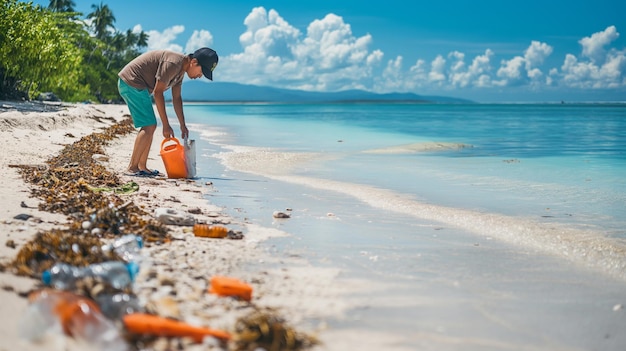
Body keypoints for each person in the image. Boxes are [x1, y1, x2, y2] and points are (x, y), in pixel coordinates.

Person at [117, 47, 218, 177]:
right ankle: (132, 168)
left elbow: (177, 98)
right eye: (202, 72)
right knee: (149, 125)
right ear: (193, 62)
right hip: (131, 82)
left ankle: (142, 166)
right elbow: (158, 93)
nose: (200, 76)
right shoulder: (173, 64)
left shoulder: (180, 70)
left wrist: (183, 125)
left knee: (150, 125)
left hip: (137, 85)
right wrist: (166, 125)